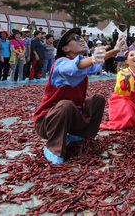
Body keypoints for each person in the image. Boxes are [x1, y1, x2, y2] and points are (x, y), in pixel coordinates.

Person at [34, 28, 125, 164]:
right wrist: (94, 58)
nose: (81, 39)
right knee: (66, 104)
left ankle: (81, 135)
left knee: (97, 99)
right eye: (76, 39)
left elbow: (96, 63)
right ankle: (53, 147)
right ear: (65, 48)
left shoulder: (83, 63)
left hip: (71, 117)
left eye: (81, 37)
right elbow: (75, 65)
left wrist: (117, 49)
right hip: (48, 122)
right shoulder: (60, 63)